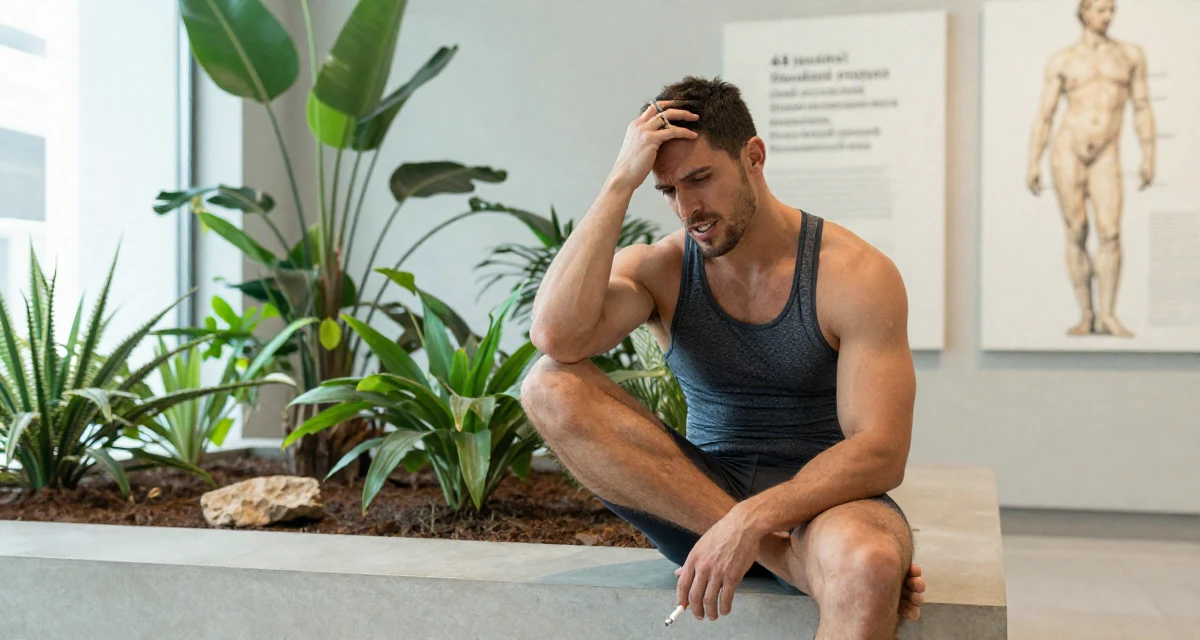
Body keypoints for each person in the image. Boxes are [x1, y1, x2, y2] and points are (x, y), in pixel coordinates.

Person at [519, 76, 926, 638]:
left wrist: (751, 520)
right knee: (547, 384)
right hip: (695, 504)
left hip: (823, 503)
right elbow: (556, 336)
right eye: (667, 190)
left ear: (753, 156)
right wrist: (619, 182)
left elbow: (880, 452)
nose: (688, 208)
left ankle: (799, 556)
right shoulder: (662, 268)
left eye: (700, 179)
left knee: (869, 568)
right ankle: (787, 563)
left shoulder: (853, 274)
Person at [1027, 0, 1155, 338]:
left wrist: (1149, 153)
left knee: (1110, 231)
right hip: (1068, 148)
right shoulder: (1063, 60)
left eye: (1111, 10)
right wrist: (1033, 160)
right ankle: (1086, 313)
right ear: (1083, 12)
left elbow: (1142, 106)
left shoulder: (1129, 55)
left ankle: (1108, 314)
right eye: (1100, 9)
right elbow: (1045, 114)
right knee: (1076, 230)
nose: (1107, 16)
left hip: (1106, 151)